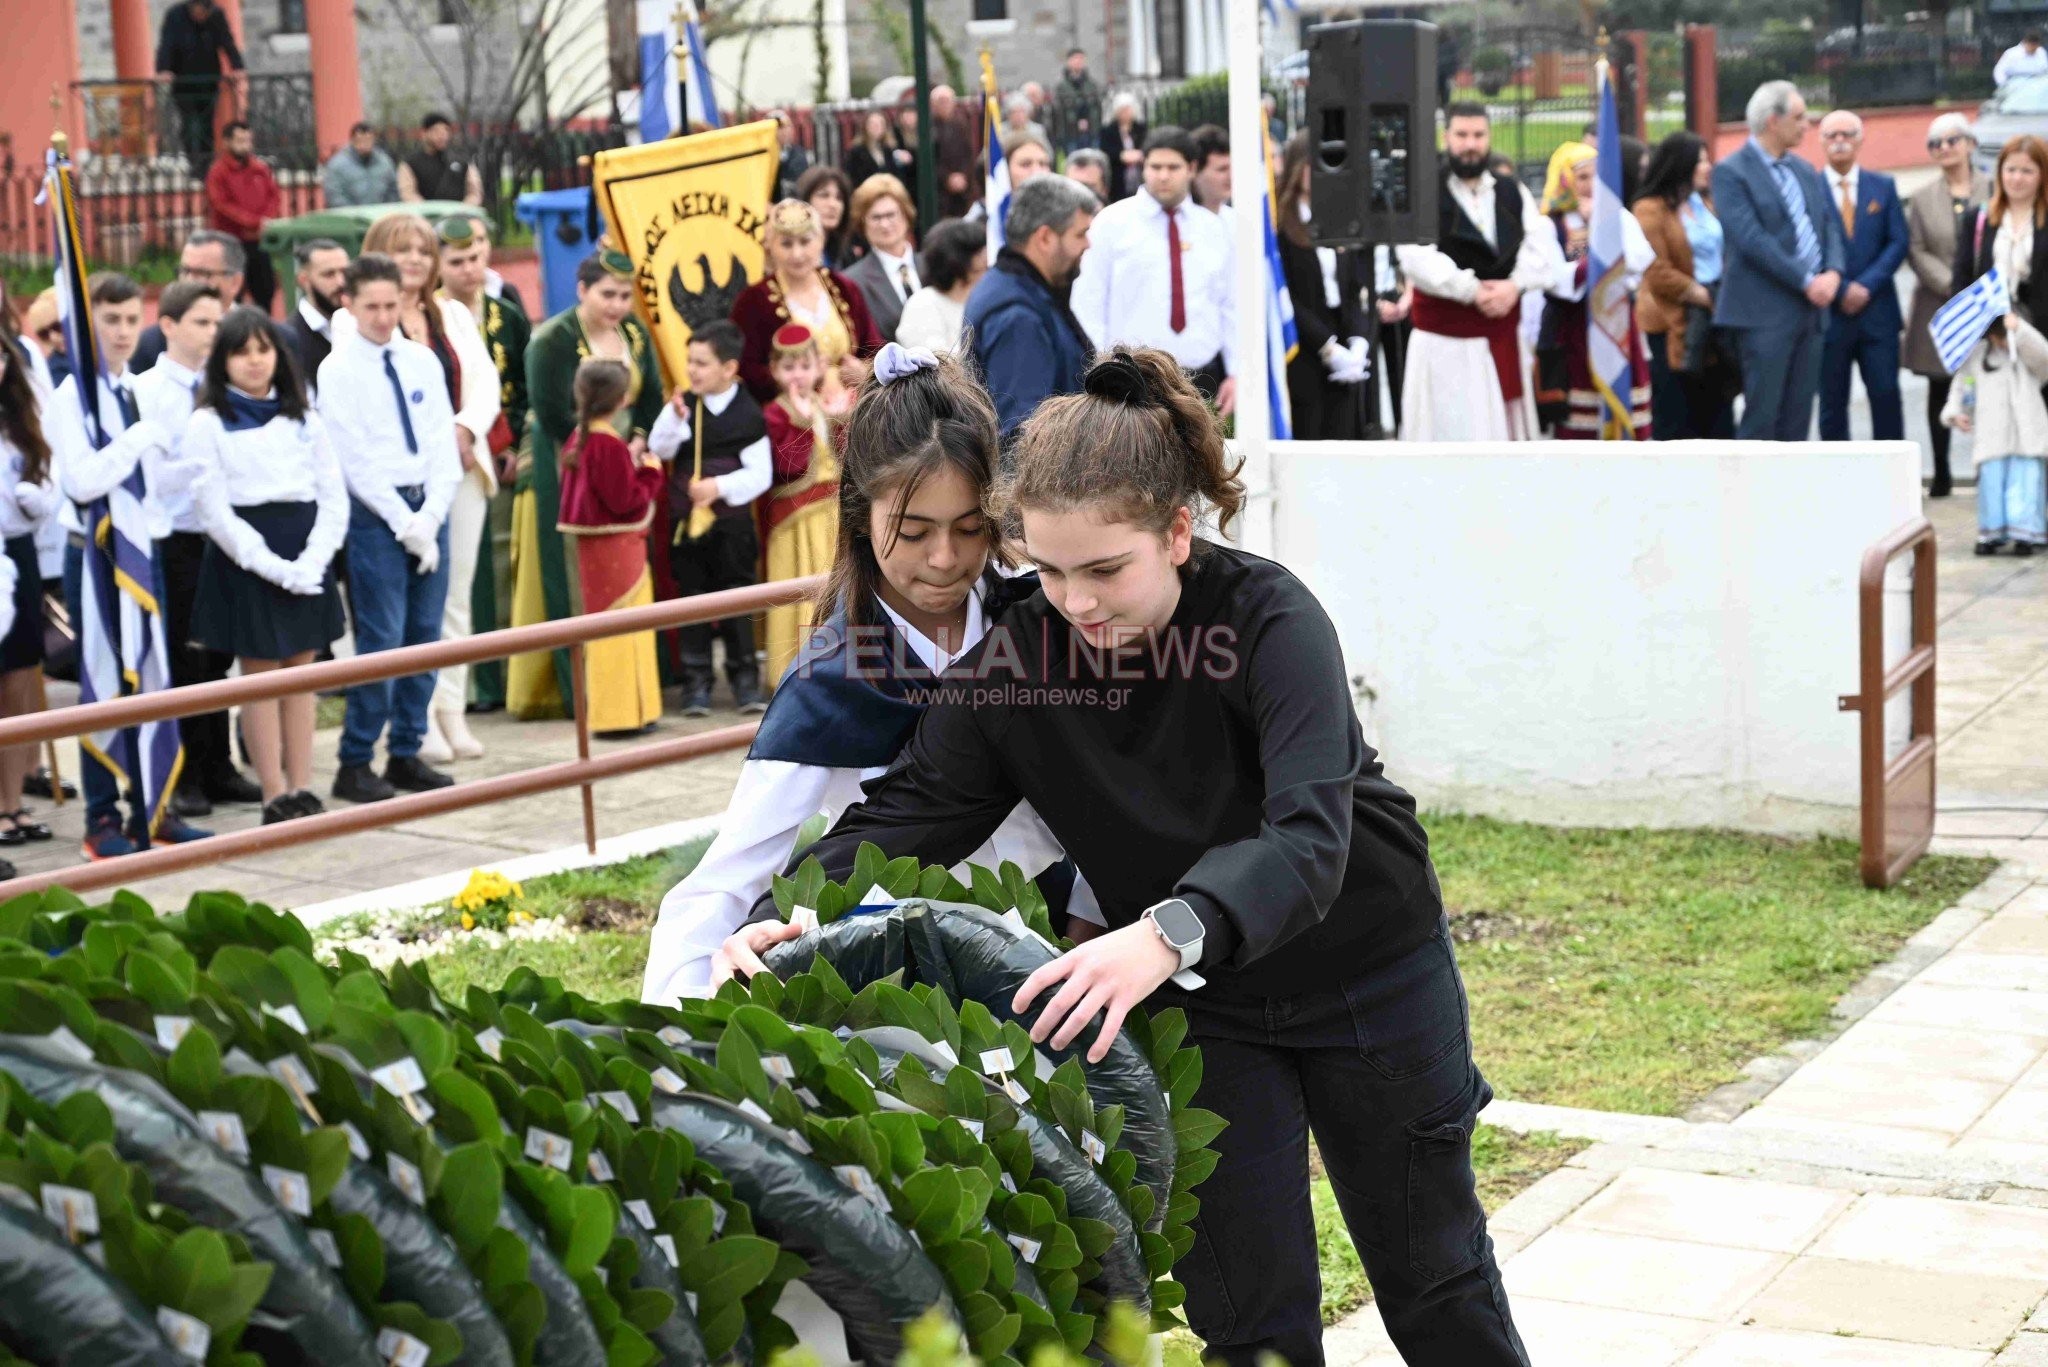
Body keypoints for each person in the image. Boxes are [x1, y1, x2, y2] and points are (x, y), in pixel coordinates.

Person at [721, 345, 1530, 1366]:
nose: (1076, 602)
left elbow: (1307, 838)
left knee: (1434, 1275)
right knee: (1248, 1311)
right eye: (1047, 570)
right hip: (1204, 1005)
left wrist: (1164, 930)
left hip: (1364, 970)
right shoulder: (1018, 655)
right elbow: (912, 812)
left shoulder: (1268, 619)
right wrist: (800, 909)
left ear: (1176, 531)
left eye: (1105, 569)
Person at [643, 343, 1087, 1000]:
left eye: (969, 527)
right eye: (912, 532)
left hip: (1064, 943)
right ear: (858, 511)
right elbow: (727, 878)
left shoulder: (1035, 617)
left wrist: (1094, 921)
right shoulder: (832, 679)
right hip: (904, 982)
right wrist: (683, 1027)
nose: (943, 558)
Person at [50, 273, 213, 857]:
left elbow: (140, 482)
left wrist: (189, 467)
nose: (122, 332)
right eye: (109, 320)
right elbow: (82, 480)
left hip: (142, 548)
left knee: (153, 675)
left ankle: (154, 802)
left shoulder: (130, 390)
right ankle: (102, 819)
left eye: (128, 319)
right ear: (86, 323)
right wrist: (139, 440)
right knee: (102, 683)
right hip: (94, 556)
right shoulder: (76, 396)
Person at [185, 306, 347, 822]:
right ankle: (273, 791)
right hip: (247, 558)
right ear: (222, 362)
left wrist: (314, 560)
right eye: (241, 352)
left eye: (264, 350)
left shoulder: (304, 416)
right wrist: (273, 566)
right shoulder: (207, 423)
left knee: (302, 673)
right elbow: (214, 509)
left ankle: (303, 785)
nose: (255, 363)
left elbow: (332, 495)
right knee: (258, 677)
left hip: (305, 547)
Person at [352, 212, 502, 766]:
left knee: (455, 596)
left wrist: (464, 429)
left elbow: (484, 383)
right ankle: (415, 720)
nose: (414, 258)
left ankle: (451, 712)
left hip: (460, 470)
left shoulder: (454, 314)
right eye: (401, 249)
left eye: (421, 249)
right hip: (401, 483)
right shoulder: (360, 323)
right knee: (414, 608)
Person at [316, 253, 460, 804]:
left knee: (426, 636)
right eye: (370, 306)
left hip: (428, 504)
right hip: (379, 515)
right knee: (382, 639)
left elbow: (442, 443)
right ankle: (355, 759)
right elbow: (354, 460)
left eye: (390, 304)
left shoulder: (420, 359)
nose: (381, 317)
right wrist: (406, 524)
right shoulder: (339, 369)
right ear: (348, 304)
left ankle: (406, 749)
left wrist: (432, 515)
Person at [513, 249, 664, 722]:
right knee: (570, 573)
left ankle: (629, 685)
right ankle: (575, 691)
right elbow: (554, 412)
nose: (617, 305)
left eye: (624, 296)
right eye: (607, 294)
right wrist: (606, 454)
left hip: (623, 459)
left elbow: (652, 396)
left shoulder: (635, 334)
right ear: (581, 291)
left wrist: (637, 440)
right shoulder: (551, 340)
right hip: (572, 463)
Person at [134, 280, 264, 819]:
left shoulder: (224, 386)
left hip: (224, 534)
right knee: (185, 657)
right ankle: (185, 772)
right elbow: (150, 474)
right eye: (202, 323)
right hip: (176, 538)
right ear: (168, 325)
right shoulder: (147, 390)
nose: (214, 333)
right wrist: (198, 473)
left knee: (218, 654)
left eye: (218, 323)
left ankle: (219, 765)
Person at [1395, 102, 1555, 441]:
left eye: (1479, 135)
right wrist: (1472, 290)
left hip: (1501, 339)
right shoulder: (1424, 192)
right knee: (1451, 435)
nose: (1471, 144)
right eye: (1462, 135)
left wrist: (1515, 286)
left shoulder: (1511, 190)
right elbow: (1415, 257)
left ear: (1489, 137)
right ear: (1446, 137)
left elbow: (1541, 247)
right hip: (1445, 348)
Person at [1713, 81, 1845, 441]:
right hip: (1764, 316)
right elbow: (1752, 240)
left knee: (1797, 422)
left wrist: (1833, 272)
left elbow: (1827, 224)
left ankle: (1791, 497)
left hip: (1811, 314)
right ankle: (1748, 497)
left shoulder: (1803, 170)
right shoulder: (1731, 173)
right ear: (1773, 120)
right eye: (1799, 117)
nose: (1807, 125)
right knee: (1762, 418)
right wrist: (1807, 280)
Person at [1071, 127, 1237, 413]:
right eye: (1154, 166)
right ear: (1143, 167)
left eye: (1173, 167)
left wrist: (1236, 371)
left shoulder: (1214, 228)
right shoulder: (1112, 223)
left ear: (1192, 168)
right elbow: (1088, 301)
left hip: (1203, 379)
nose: (1163, 175)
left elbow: (1230, 304)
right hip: (1131, 379)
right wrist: (1104, 368)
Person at [651, 320, 769, 716]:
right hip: (689, 529)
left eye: (701, 363)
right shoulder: (686, 407)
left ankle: (745, 682)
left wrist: (718, 487)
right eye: (690, 361)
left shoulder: (748, 413)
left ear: (729, 368)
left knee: (737, 601)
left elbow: (760, 474)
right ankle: (697, 683)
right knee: (692, 601)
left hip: (732, 529)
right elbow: (660, 449)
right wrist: (673, 417)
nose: (692, 370)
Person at [439, 216, 530, 711]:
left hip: (503, 456)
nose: (469, 270)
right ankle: (470, 687)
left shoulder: (508, 316)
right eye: (456, 262)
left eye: (475, 258)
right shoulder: (431, 321)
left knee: (500, 568)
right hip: (454, 457)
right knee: (462, 577)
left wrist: (516, 445)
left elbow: (523, 388)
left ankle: (501, 680)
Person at [556, 358, 666, 733]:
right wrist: (651, 471)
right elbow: (628, 501)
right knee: (629, 624)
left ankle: (610, 713)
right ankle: (627, 715)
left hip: (593, 554)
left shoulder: (579, 438)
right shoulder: (608, 443)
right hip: (620, 548)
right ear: (622, 400)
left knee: (603, 626)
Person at [966, 174, 1098, 443]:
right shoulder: (1018, 318)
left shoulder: (1018, 288)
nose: (1088, 244)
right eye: (1080, 233)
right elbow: (1022, 433)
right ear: (1045, 237)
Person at [1536, 145, 1654, 439]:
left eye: (1596, 177)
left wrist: (1602, 227)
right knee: (1578, 424)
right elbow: (1554, 279)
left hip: (1617, 324)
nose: (1590, 185)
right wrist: (1601, 262)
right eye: (1582, 177)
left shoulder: (1617, 217)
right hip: (1571, 331)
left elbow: (1639, 258)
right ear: (1564, 180)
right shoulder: (1549, 225)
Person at [1905, 113, 1992, 496]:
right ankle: (1940, 472)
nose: (1943, 148)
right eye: (1935, 144)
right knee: (1940, 389)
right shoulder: (1923, 199)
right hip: (1939, 306)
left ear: (1970, 144)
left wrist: (1979, 290)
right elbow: (1916, 249)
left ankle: (1988, 470)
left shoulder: (1995, 189)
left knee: (1991, 389)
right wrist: (1954, 287)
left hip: (1990, 305)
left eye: (1951, 140)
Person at [1633, 132, 1738, 439]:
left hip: (1714, 319)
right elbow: (1655, 269)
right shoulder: (1649, 209)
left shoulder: (1703, 202)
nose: (1708, 167)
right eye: (1701, 161)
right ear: (1681, 165)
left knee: (1719, 417)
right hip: (1673, 323)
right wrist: (1701, 294)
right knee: (1678, 420)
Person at [732, 199, 883, 408]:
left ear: (820, 241)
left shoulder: (845, 288)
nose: (797, 254)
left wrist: (864, 372)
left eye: (805, 241)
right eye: (786, 243)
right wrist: (799, 376)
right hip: (792, 424)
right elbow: (746, 370)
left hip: (855, 415)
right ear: (770, 246)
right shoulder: (752, 301)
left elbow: (874, 348)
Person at [1816, 111, 1909, 443]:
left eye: (1847, 134)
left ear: (1860, 139)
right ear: (1821, 141)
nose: (1839, 141)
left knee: (1886, 397)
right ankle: (1837, 483)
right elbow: (1806, 246)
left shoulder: (1882, 186)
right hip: (1830, 315)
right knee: (1832, 404)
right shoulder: (1809, 189)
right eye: (1832, 135)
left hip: (1877, 313)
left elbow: (1898, 242)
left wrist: (1866, 285)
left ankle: (1893, 484)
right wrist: (1841, 289)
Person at [1274, 132, 1372, 441]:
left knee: (1345, 437)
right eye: (1313, 165)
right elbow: (1286, 294)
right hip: (1303, 347)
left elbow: (1355, 287)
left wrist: (1358, 339)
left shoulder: (1340, 218)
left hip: (1342, 341)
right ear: (1297, 168)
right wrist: (1326, 347)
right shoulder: (1280, 223)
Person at [756, 323, 840, 682]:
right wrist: (803, 422)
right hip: (795, 519)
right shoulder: (774, 414)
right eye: (789, 368)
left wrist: (841, 418)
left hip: (831, 516)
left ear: (819, 367)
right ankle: (792, 672)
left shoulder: (824, 405)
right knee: (796, 594)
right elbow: (785, 466)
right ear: (775, 371)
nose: (798, 375)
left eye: (805, 367)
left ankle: (831, 668)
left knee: (830, 590)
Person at [0, 329, 55, 868]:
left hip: (18, 553)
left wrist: (40, 501)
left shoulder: (20, 416)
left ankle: (11, 804)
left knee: (19, 680)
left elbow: (50, 474)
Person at [1946, 312, 2048, 553]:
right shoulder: (1977, 356)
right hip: (1991, 434)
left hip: (2025, 432)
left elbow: (2044, 359)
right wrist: (1957, 412)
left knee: (2025, 483)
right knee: (1991, 485)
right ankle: (1991, 534)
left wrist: (2020, 331)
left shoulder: (2024, 352)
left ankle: (2025, 533)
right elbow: (1963, 386)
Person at [132, 230, 246, 372]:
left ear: (235, 282)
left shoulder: (260, 336)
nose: (189, 281)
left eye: (203, 273)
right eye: (185, 271)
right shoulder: (150, 345)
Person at [154, 0, 243, 177]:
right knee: (189, 124)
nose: (201, 17)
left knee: (206, 124)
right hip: (182, 81)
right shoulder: (175, 16)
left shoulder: (216, 15)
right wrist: (164, 69)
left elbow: (227, 42)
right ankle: (194, 163)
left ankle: (205, 164)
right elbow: (166, 45)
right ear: (192, 7)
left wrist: (237, 67)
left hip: (208, 79)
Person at [204, 121, 281, 312]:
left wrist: (267, 219)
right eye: (239, 140)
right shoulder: (218, 172)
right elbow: (220, 204)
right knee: (232, 291)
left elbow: (274, 195)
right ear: (227, 142)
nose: (245, 144)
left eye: (247, 140)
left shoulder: (260, 168)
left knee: (265, 289)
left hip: (258, 240)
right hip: (231, 240)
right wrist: (253, 221)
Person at [844, 174, 921, 343]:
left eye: (891, 215)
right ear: (863, 224)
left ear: (906, 215)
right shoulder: (853, 282)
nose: (885, 225)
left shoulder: (932, 266)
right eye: (876, 218)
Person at [895, 218, 988, 354]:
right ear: (957, 260)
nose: (986, 258)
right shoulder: (923, 303)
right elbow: (939, 363)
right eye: (978, 252)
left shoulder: (981, 300)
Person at [283, 237, 349, 394]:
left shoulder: (360, 324)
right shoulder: (290, 337)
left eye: (345, 272)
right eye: (329, 274)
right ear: (304, 280)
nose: (341, 282)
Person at [398, 113, 484, 206]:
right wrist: (430, 211)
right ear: (424, 133)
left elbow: (474, 192)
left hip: (459, 216)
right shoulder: (410, 163)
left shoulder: (462, 161)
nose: (442, 135)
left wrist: (465, 208)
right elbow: (408, 194)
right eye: (436, 131)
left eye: (446, 131)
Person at [323, 122, 400, 208]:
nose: (364, 144)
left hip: (380, 215)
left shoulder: (385, 162)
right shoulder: (337, 165)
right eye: (360, 140)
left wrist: (386, 209)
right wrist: (354, 213)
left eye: (368, 140)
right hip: (348, 217)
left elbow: (393, 190)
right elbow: (334, 196)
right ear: (352, 141)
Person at [795, 164, 857, 269]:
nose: (833, 205)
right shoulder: (794, 253)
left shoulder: (846, 255)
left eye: (839, 198)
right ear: (805, 200)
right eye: (824, 195)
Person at [931, 86, 980, 217]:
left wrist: (963, 175)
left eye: (947, 100)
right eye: (941, 101)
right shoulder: (929, 127)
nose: (945, 105)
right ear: (933, 104)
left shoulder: (962, 124)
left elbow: (969, 153)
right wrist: (947, 178)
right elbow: (931, 159)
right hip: (940, 190)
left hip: (963, 187)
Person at [1099, 93, 1147, 203]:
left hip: (1138, 173)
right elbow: (1105, 151)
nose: (1125, 113)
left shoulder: (1140, 128)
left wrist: (1138, 154)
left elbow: (1147, 145)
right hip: (1119, 177)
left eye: (1127, 109)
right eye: (1122, 110)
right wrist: (1121, 155)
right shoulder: (1108, 130)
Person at [1054, 49, 1103, 155]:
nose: (1078, 62)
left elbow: (1097, 108)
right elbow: (1059, 113)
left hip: (1091, 132)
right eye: (1075, 58)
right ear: (1068, 61)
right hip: (1070, 133)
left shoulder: (1092, 85)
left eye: (1081, 59)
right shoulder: (1061, 87)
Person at [842, 109, 902, 190]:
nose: (877, 127)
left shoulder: (890, 150)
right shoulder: (855, 152)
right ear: (865, 126)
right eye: (872, 124)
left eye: (881, 124)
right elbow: (851, 179)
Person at [773, 111, 816, 202]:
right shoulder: (763, 158)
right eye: (779, 127)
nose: (784, 131)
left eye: (787, 126)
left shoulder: (802, 154)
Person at [1190, 124, 1232, 215]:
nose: (1230, 176)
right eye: (1222, 169)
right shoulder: (1179, 224)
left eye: (1232, 168)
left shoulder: (1235, 219)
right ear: (1195, 171)